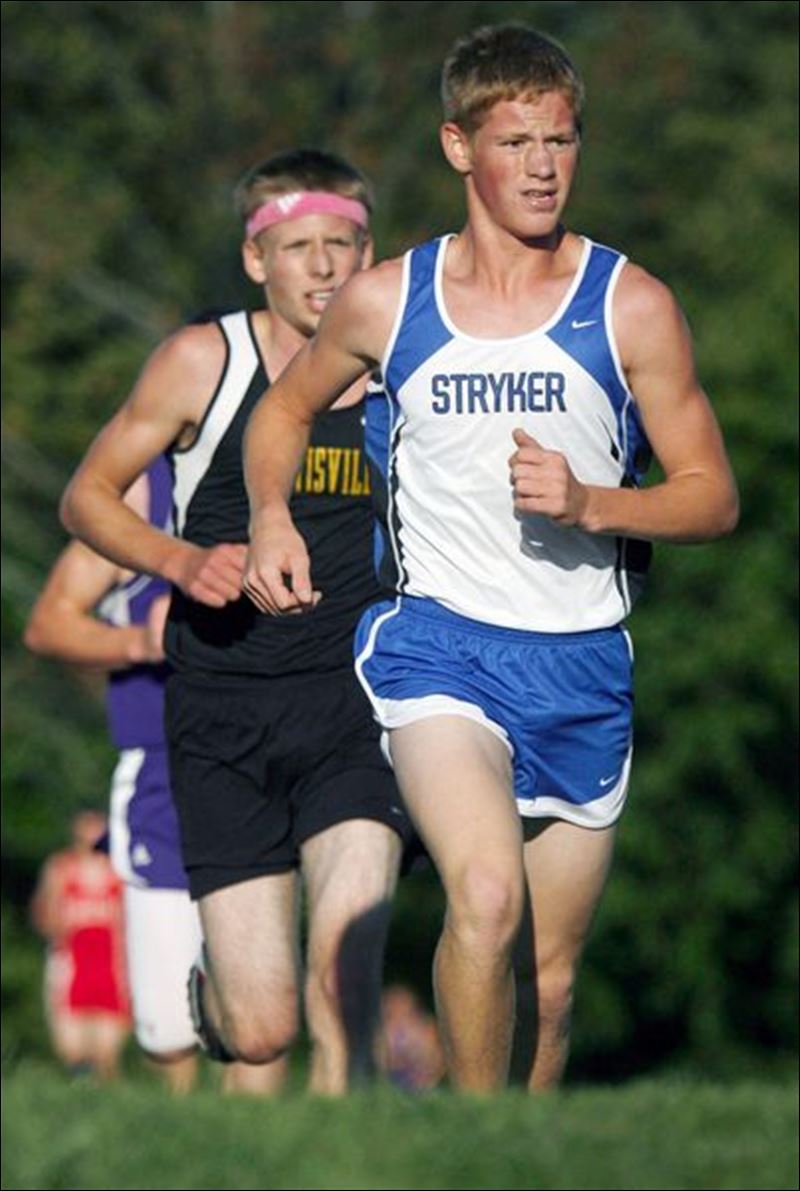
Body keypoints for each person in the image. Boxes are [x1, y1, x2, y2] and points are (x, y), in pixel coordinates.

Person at [241, 25, 739, 1092]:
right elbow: (280, 411)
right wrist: (271, 516)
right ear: (459, 147)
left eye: (561, 140)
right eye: (516, 142)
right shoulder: (388, 300)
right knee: (483, 895)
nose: (544, 166)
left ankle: (522, 1147)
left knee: (547, 985)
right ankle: (471, 1144)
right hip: (437, 647)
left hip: (580, 659)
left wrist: (593, 502)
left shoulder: (629, 305)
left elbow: (711, 496)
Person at [60, 148, 413, 1095]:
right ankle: (217, 1000)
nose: (324, 266)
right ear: (257, 259)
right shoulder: (201, 361)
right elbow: (86, 497)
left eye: (343, 244)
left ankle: (355, 1153)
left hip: (355, 705)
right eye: (298, 247)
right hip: (222, 711)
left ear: (369, 251)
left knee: (347, 960)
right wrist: (178, 560)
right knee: (261, 1031)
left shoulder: (402, 370)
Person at [25, 462, 282, 1095]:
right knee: (168, 1029)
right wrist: (141, 641)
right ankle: (185, 1127)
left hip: (262, 761)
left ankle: (258, 1138)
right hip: (162, 772)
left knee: (262, 1002)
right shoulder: (142, 497)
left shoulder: (280, 475)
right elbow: (49, 622)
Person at [30, 809, 130, 1081]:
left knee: (106, 1053)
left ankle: (108, 1096)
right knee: (71, 1051)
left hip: (112, 969)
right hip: (71, 966)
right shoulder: (61, 867)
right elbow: (44, 914)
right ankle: (80, 1090)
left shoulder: (119, 870)